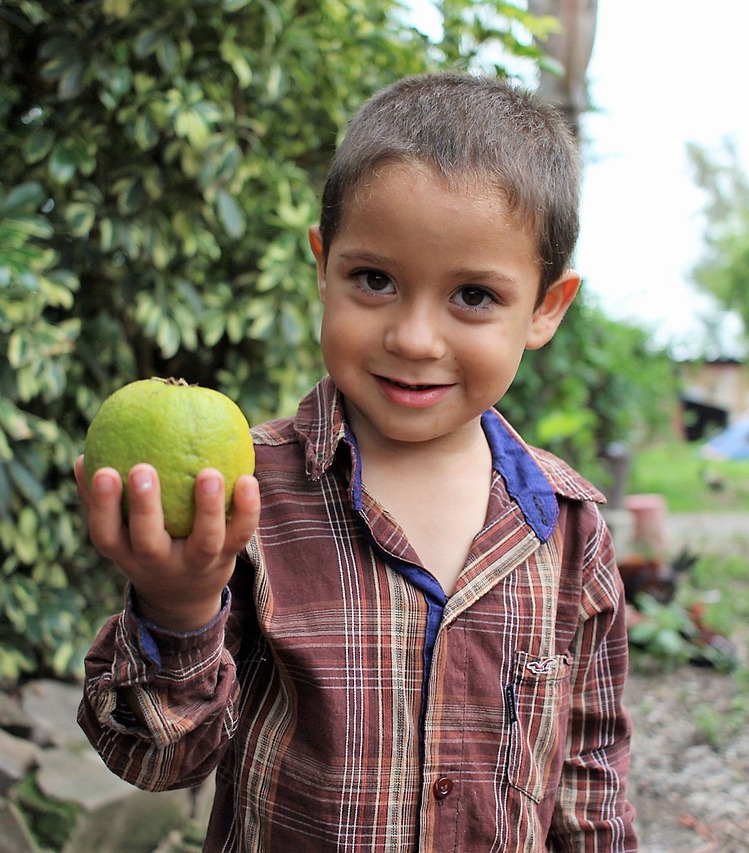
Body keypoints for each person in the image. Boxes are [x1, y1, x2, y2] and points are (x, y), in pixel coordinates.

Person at [76, 71, 638, 852]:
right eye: (375, 280)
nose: (413, 337)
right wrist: (178, 606)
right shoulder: (246, 497)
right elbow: (156, 755)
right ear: (323, 265)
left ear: (546, 307)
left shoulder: (570, 530)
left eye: (473, 295)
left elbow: (590, 778)